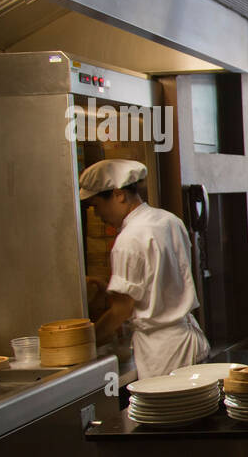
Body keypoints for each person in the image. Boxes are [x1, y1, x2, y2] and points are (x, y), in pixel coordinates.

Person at [80, 159, 210, 380]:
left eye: (96, 205)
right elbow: (160, 279)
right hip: (190, 339)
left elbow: (121, 311)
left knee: (170, 413)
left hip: (163, 354)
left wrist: (84, 344)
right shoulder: (168, 220)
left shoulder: (127, 240)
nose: (97, 214)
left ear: (119, 194)